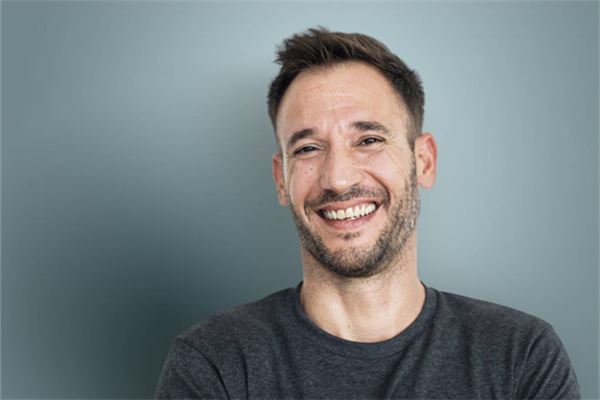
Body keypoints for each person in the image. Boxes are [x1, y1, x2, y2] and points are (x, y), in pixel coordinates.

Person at [155, 27, 580, 399]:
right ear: (281, 179)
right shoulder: (215, 362)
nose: (338, 179)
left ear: (424, 161)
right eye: (308, 148)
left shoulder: (521, 356)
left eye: (369, 140)